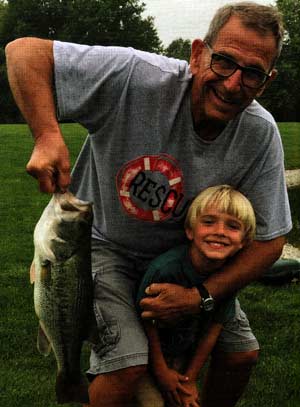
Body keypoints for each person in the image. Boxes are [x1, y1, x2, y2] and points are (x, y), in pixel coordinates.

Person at [5, 2, 292, 406]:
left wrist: (200, 297)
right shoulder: (135, 78)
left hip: (184, 260)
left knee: (241, 353)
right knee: (128, 365)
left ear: (266, 82)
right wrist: (47, 135)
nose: (232, 85)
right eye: (224, 62)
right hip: (104, 247)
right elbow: (24, 52)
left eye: (252, 74)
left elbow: (270, 241)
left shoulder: (259, 134)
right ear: (197, 55)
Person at [136, 185, 257, 407]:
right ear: (190, 230)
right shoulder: (166, 269)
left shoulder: (228, 279)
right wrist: (161, 371)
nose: (219, 231)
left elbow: (213, 330)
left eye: (232, 226)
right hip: (146, 358)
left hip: (182, 357)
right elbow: (147, 323)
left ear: (244, 241)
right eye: (209, 222)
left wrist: (189, 379)